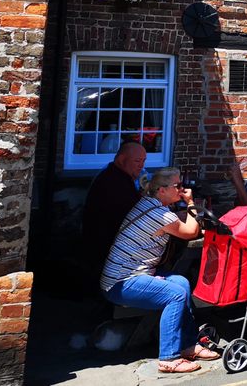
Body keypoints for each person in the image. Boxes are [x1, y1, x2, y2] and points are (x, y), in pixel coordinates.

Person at [100, 168, 219, 374]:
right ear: (162, 190)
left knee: (181, 283)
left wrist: (182, 214)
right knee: (175, 295)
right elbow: (191, 232)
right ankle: (169, 358)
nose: (182, 189)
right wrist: (191, 202)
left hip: (133, 274)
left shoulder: (149, 203)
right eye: (177, 186)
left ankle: (187, 344)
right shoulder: (159, 214)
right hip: (120, 283)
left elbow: (173, 221)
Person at [82, 141, 146, 284]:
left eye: (143, 161)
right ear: (122, 160)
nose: (141, 166)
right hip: (107, 254)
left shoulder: (116, 175)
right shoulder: (114, 182)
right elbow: (137, 215)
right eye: (137, 161)